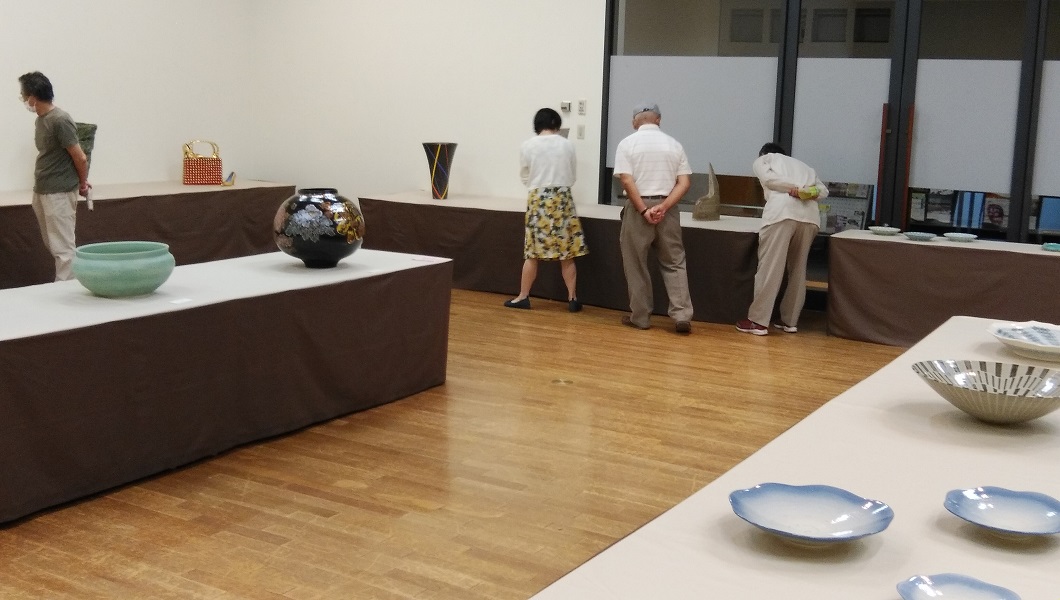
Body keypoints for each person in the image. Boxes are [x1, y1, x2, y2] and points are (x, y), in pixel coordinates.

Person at [613, 103, 694, 335]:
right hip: (668, 209)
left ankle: (640, 317)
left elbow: (626, 180)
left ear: (634, 122)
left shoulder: (627, 144)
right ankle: (682, 316)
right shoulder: (674, 145)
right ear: (658, 119)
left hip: (638, 208)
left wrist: (643, 210)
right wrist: (664, 206)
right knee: (674, 262)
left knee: (636, 263)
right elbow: (684, 183)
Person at [737, 143, 828, 336]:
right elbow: (823, 191)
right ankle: (790, 321)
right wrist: (805, 191)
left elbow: (769, 180)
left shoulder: (764, 159)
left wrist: (795, 189)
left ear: (763, 153)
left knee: (770, 268)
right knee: (798, 269)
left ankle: (758, 321)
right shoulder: (805, 167)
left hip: (781, 214)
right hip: (810, 219)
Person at [504, 107, 589, 311]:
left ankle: (523, 296)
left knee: (532, 252)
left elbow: (524, 175)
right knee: (567, 252)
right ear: (557, 124)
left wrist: (538, 186)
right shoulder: (567, 145)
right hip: (562, 198)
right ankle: (572, 298)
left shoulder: (527, 145)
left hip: (538, 199)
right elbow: (572, 175)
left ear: (537, 125)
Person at [19, 71, 91, 281]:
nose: (23, 100)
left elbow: (80, 157)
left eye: (23, 95)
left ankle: (67, 290)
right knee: (53, 243)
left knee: (64, 248)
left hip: (59, 191)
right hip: (43, 189)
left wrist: (83, 183)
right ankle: (65, 286)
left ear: (33, 97)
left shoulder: (61, 120)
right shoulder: (41, 120)